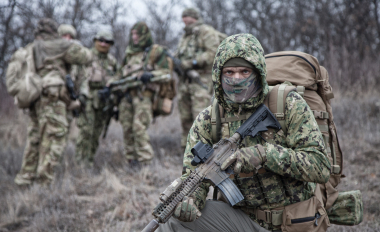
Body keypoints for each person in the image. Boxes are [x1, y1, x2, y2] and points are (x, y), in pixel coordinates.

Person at [157, 34, 331, 232]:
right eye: (229, 72)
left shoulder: (288, 105)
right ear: (218, 76)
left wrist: (265, 155)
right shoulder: (209, 119)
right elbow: (194, 176)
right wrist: (190, 200)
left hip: (295, 221)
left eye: (244, 71)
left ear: (257, 73)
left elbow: (321, 167)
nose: (236, 78)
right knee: (173, 221)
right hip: (243, 222)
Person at [14, 18, 92, 186]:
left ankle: (25, 179)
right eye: (64, 35)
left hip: (36, 97)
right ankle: (44, 182)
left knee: (35, 138)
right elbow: (87, 56)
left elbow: (82, 78)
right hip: (52, 98)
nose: (66, 38)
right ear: (55, 33)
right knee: (54, 137)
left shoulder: (33, 47)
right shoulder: (59, 46)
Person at [117, 22, 173, 165]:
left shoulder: (154, 52)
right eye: (133, 34)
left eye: (138, 34)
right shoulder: (130, 53)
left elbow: (166, 73)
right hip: (127, 97)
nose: (134, 37)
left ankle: (146, 163)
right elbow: (120, 74)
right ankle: (132, 161)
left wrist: (150, 75)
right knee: (127, 129)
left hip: (144, 97)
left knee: (139, 128)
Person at [175, 8, 224, 150]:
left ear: (194, 18)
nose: (184, 19)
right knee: (185, 119)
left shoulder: (205, 31)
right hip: (185, 82)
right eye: (183, 17)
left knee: (201, 118)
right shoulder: (186, 36)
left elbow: (212, 53)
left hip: (201, 81)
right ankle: (186, 150)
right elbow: (180, 55)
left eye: (187, 16)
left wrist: (192, 63)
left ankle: (204, 150)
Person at [75, 30, 118, 165]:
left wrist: (111, 93)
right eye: (101, 40)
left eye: (107, 42)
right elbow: (79, 77)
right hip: (88, 99)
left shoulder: (111, 61)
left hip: (104, 102)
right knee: (86, 131)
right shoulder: (87, 56)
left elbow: (117, 78)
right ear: (95, 40)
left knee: (96, 133)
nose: (104, 44)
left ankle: (89, 161)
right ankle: (80, 163)